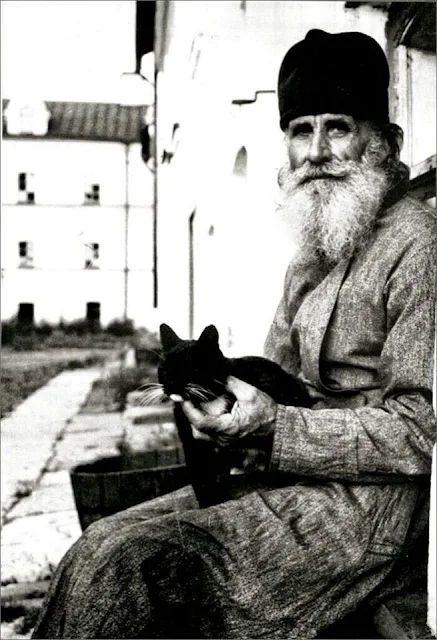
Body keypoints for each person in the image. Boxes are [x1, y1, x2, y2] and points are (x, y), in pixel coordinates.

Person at [32, 29, 436, 639]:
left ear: (383, 142)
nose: (316, 151)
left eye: (338, 127)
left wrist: (274, 427)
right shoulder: (314, 250)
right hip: (292, 481)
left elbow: (422, 432)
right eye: (300, 130)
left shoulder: (418, 247)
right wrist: (225, 411)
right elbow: (275, 382)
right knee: (96, 546)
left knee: (126, 568)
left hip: (368, 515)